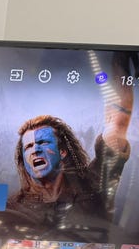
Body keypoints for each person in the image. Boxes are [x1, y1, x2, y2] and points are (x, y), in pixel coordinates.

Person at [7, 53, 134, 230]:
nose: (35, 150)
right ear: (23, 160)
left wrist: (120, 58)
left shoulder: (92, 182)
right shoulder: (14, 205)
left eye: (43, 142)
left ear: (62, 151)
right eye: (28, 146)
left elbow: (118, 122)